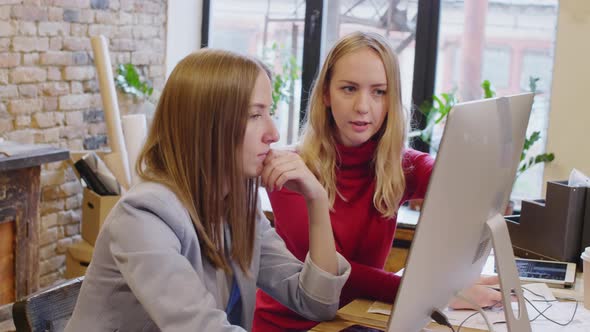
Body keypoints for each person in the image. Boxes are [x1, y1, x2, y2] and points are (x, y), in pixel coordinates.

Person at [65, 49, 351, 332]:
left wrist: (316, 200)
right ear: (206, 126)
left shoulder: (237, 208)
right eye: (255, 115)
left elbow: (316, 303)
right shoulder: (143, 216)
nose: (273, 133)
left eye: (269, 112)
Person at [253, 31, 502, 331]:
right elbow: (339, 273)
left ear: (391, 100)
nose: (363, 106)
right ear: (325, 95)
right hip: (293, 326)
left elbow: (461, 185)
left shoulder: (400, 166)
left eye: (379, 92)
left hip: (359, 321)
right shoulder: (291, 171)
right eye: (349, 89)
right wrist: (438, 293)